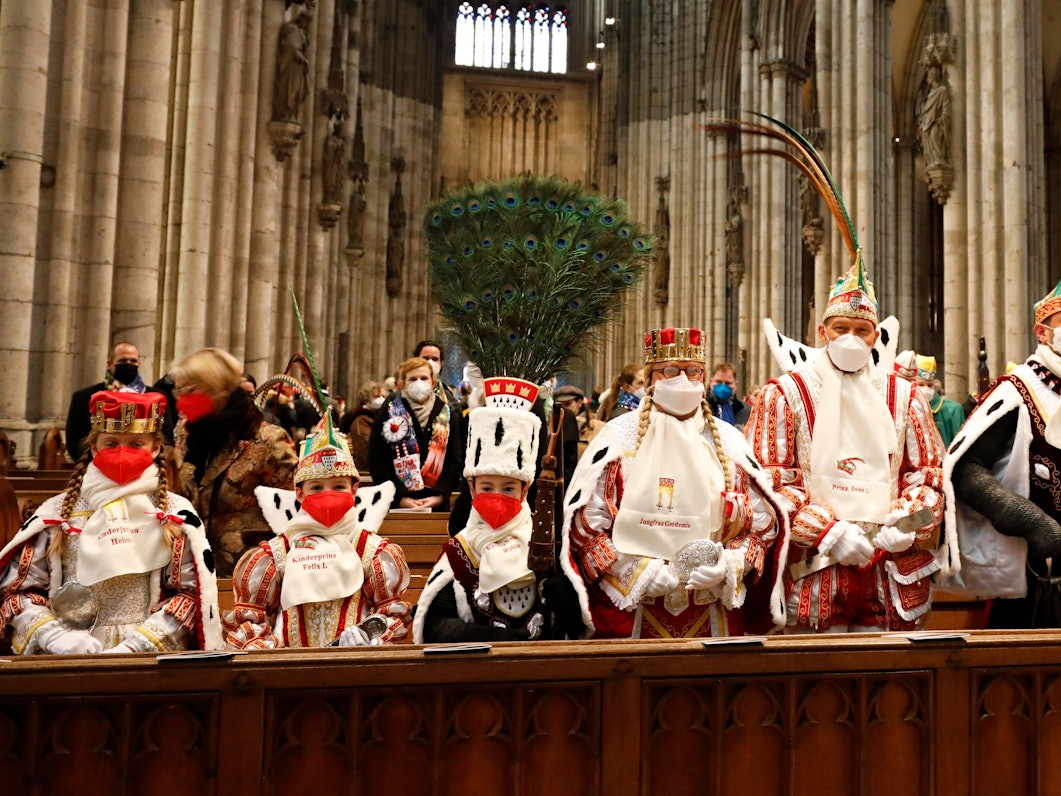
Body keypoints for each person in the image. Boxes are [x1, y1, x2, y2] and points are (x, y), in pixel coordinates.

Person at [745, 257, 945, 633]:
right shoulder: (785, 394)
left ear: (875, 336)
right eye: (841, 328)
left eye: (862, 329)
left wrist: (909, 523)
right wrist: (827, 531)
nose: (851, 338)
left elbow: (929, 478)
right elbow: (768, 482)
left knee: (891, 682)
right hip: (814, 569)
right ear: (823, 332)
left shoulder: (905, 397)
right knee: (820, 680)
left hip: (889, 571)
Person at [560, 327, 787, 639]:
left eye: (692, 371)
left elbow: (762, 527)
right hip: (634, 609)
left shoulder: (731, 441)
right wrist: (633, 571)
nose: (683, 379)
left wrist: (729, 566)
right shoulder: (617, 437)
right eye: (670, 371)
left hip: (711, 610)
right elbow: (586, 525)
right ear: (652, 377)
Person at [0, 391, 222, 654]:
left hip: (149, 657)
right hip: (67, 656)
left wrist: (137, 646)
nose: (122, 453)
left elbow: (190, 595)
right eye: (111, 443)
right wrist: (52, 637)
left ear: (155, 449)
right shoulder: (59, 511)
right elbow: (18, 591)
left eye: (136, 444)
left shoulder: (174, 512)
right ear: (94, 448)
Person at [415, 377, 584, 643]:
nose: (497, 497)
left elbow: (575, 628)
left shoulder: (546, 546)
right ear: (472, 488)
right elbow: (436, 627)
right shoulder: (459, 552)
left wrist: (568, 604)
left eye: (508, 489)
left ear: (525, 490)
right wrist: (496, 639)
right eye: (487, 488)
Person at [224, 414, 411, 648]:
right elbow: (251, 618)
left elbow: (392, 614)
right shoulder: (276, 554)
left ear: (354, 490)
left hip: (355, 671)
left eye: (339, 486)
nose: (328, 494)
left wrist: (371, 639)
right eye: (317, 487)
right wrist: (271, 652)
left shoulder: (373, 551)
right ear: (300, 493)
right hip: (288, 674)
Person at [940, 278, 1061, 627]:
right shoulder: (1018, 391)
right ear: (1043, 332)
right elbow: (965, 470)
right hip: (1036, 568)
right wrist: (1033, 522)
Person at [172, 347, 298, 578]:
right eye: (178, 391)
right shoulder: (187, 433)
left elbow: (291, 513)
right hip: (194, 569)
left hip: (251, 573)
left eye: (190, 391)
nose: (182, 401)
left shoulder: (269, 441)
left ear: (219, 389)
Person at [368, 356, 465, 512]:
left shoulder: (446, 413)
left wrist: (440, 495)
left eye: (424, 378)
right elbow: (377, 458)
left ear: (433, 383)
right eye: (412, 379)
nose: (419, 383)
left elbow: (455, 460)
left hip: (437, 503)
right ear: (402, 384)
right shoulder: (389, 411)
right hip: (396, 503)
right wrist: (398, 497)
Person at [65, 341, 148, 459]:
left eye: (133, 361)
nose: (128, 364)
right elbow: (75, 440)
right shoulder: (84, 397)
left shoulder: (154, 396)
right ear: (109, 364)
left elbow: (165, 437)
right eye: (122, 361)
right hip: (96, 466)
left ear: (139, 364)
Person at [895, 351, 965, 448]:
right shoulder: (902, 407)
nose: (926, 389)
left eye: (930, 385)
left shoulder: (953, 410)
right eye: (921, 385)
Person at [338, 380, 388, 474]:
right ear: (366, 399)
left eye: (383, 396)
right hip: (367, 470)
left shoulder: (383, 417)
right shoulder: (361, 421)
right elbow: (367, 448)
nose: (381, 399)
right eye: (376, 396)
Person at [553, 385, 604, 462]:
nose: (563, 409)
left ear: (579, 403)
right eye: (560, 405)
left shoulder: (598, 427)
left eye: (567, 404)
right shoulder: (553, 428)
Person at [413, 340, 459, 408]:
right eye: (425, 358)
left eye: (435, 359)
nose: (430, 362)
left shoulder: (448, 395)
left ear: (440, 364)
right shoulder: (404, 393)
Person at [707, 361, 751, 428]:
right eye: (719, 382)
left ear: (736, 385)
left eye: (728, 383)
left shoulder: (747, 412)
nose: (723, 387)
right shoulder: (702, 409)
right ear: (711, 383)